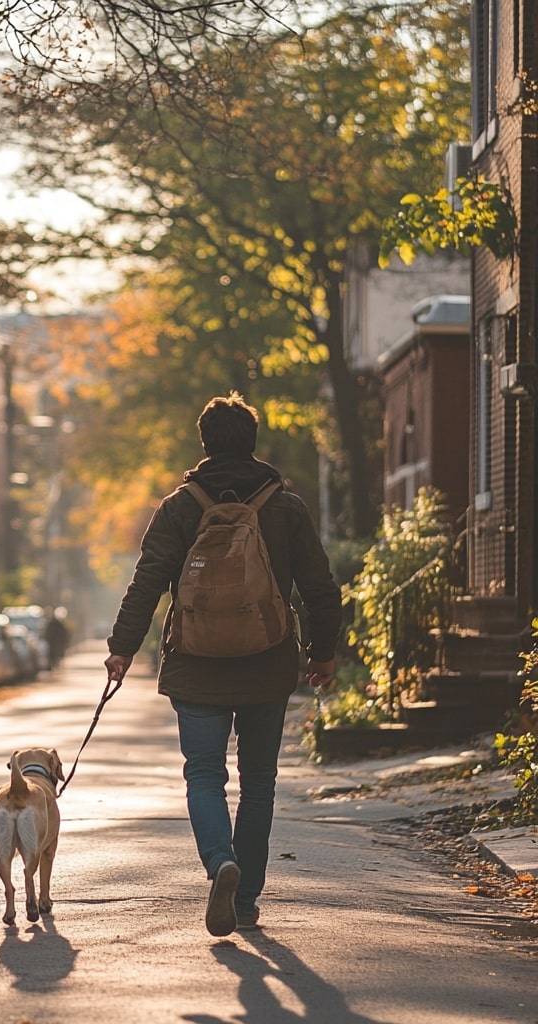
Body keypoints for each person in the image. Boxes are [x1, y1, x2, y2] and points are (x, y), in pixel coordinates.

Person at [104, 392, 342, 937]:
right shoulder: (286, 506)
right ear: (253, 441)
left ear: (205, 442)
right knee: (258, 781)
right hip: (267, 663)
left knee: (205, 774)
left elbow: (147, 582)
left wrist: (122, 647)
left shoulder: (179, 507)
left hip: (196, 664)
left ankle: (220, 864)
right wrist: (322, 652)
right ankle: (247, 899)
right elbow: (319, 586)